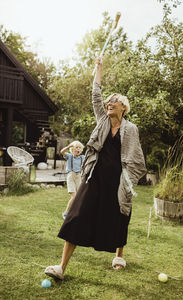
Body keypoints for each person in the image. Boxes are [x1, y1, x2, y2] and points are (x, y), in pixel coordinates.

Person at [44, 56, 146, 280]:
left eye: (114, 101)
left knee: (120, 216)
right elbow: (95, 95)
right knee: (76, 215)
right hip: (94, 177)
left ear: (124, 107)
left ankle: (119, 255)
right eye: (108, 101)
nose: (109, 103)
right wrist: (99, 68)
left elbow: (136, 159)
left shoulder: (131, 129)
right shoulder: (102, 120)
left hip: (118, 181)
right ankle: (61, 267)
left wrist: (128, 181)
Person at [60, 141, 84, 219]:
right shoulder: (69, 156)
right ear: (72, 149)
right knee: (74, 196)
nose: (78, 149)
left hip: (79, 176)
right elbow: (62, 152)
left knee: (79, 196)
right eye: (76, 147)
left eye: (80, 148)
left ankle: (76, 212)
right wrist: (68, 146)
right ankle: (66, 213)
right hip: (71, 176)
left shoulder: (82, 157)